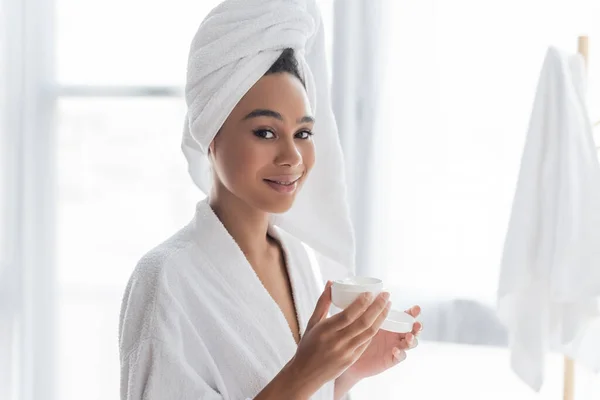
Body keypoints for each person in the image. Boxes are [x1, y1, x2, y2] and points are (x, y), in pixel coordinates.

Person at [118, 1, 422, 399]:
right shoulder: (165, 280)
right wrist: (306, 372)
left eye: (303, 133)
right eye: (265, 132)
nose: (292, 157)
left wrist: (342, 376)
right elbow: (294, 384)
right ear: (211, 134)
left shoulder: (295, 259)